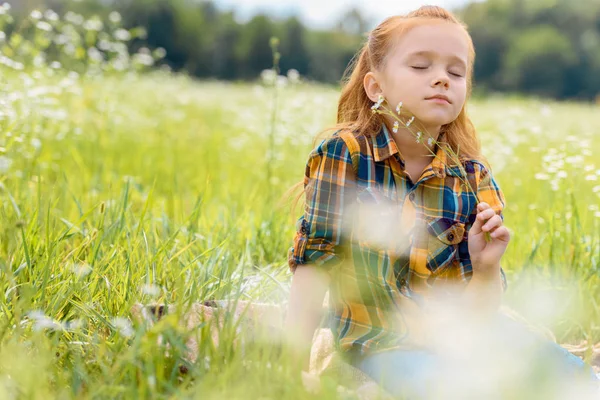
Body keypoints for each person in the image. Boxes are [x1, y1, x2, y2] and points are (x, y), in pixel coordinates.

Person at [283, 5, 599, 399]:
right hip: (384, 342)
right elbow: (315, 264)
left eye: (456, 72)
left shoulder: (472, 176)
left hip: (466, 336)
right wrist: (291, 369)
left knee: (578, 381)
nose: (441, 80)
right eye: (420, 67)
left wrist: (486, 267)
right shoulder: (346, 153)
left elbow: (480, 315)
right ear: (376, 87)